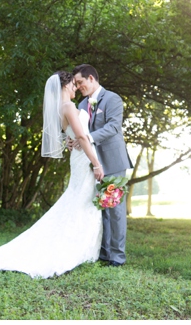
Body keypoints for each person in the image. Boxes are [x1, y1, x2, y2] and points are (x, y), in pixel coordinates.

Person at [0, 71, 104, 278]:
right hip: (84, 159)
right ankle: (78, 251)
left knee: (78, 201)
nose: (76, 88)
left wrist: (72, 141)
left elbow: (71, 137)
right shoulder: (68, 107)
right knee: (82, 202)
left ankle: (83, 250)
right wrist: (96, 164)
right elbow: (82, 137)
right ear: (65, 86)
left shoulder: (59, 109)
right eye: (74, 84)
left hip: (77, 158)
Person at [72, 63, 133, 267]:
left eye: (80, 82)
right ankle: (105, 253)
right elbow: (78, 131)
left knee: (114, 208)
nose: (78, 86)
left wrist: (87, 138)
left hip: (113, 161)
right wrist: (74, 141)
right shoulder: (81, 105)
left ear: (91, 78)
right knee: (101, 208)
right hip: (93, 163)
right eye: (76, 84)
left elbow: (114, 127)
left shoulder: (113, 99)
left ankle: (118, 257)